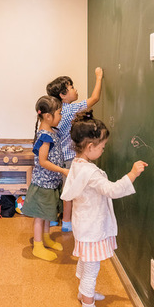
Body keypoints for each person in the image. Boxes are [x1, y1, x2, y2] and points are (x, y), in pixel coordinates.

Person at [61, 110, 147, 307]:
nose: (103, 150)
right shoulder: (90, 173)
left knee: (85, 260)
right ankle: (88, 306)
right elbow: (113, 190)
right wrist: (132, 174)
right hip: (92, 228)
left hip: (84, 225)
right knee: (92, 267)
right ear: (90, 147)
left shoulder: (77, 164)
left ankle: (83, 293)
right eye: (102, 147)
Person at [46, 67, 104, 232]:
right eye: (72, 87)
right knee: (68, 190)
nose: (75, 90)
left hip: (55, 156)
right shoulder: (70, 110)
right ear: (63, 95)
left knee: (56, 188)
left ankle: (51, 219)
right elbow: (95, 98)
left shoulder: (55, 112)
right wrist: (98, 77)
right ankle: (66, 223)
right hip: (69, 157)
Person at [21, 95, 69, 261]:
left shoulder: (51, 131)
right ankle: (38, 245)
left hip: (51, 182)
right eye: (59, 113)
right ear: (48, 116)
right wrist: (62, 171)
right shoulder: (45, 136)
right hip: (44, 184)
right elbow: (43, 161)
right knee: (40, 216)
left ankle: (46, 238)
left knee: (49, 212)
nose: (61, 116)